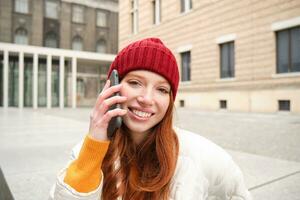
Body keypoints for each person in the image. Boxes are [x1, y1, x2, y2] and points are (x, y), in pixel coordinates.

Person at [49, 38, 252, 200]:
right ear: (112, 86)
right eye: (135, 83)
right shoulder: (86, 153)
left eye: (162, 89)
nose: (146, 99)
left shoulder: (202, 156)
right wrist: (95, 142)